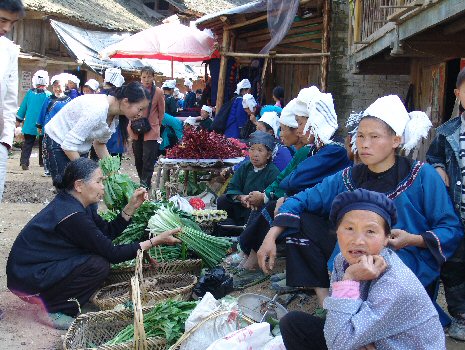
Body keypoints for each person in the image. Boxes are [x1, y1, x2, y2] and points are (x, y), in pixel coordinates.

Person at [256, 95, 463, 326]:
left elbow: (450, 227)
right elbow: (302, 199)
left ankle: (372, 319)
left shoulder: (422, 176)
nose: (364, 144)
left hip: (405, 263)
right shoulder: (348, 177)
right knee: (300, 219)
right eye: (361, 136)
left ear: (396, 140)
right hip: (351, 258)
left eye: (374, 137)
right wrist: (271, 235)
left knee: (376, 317)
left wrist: (411, 239)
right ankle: (329, 305)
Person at [6, 158, 181, 329]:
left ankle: (61, 299)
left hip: (39, 270)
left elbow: (106, 233)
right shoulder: (72, 215)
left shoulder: (80, 205)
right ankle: (53, 309)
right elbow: (112, 253)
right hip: (27, 279)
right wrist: (155, 241)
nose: (103, 186)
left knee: (96, 260)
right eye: (98, 181)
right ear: (79, 185)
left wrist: (131, 207)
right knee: (98, 265)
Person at [280, 189, 445, 350]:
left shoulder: (395, 283)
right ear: (337, 232)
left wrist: (350, 279)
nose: (358, 241)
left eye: (370, 231)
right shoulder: (342, 261)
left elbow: (337, 343)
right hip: (366, 337)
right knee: (293, 324)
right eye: (349, 229)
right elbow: (338, 318)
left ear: (386, 238)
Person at [235, 89, 350, 282]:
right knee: (275, 206)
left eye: (302, 123)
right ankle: (253, 256)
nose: (298, 129)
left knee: (279, 208)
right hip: (317, 208)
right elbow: (291, 180)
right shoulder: (315, 149)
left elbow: (294, 180)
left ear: (316, 121)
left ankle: (257, 261)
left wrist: (280, 196)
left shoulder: (334, 150)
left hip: (331, 219)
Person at [44, 81, 150, 184]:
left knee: (85, 190)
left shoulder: (115, 116)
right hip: (58, 140)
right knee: (70, 192)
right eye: (140, 109)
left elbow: (99, 144)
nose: (141, 114)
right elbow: (68, 146)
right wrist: (88, 173)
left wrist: (113, 172)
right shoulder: (98, 110)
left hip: (75, 145)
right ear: (126, 102)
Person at [426, 67, 465, 340]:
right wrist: (439, 166)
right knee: (455, 266)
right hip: (457, 212)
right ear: (458, 94)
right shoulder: (447, 132)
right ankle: (461, 316)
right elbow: (433, 157)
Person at [0, 0, 25, 322]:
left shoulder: (7, 51)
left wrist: (5, 141)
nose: (5, 27)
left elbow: (8, 98)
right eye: (2, 20)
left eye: (10, 23)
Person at [216, 131, 280, 236]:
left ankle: (247, 232)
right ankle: (229, 228)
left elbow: (272, 195)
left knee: (255, 211)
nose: (255, 154)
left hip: (258, 208)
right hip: (241, 205)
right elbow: (233, 186)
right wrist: (241, 197)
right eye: (252, 149)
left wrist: (257, 200)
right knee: (223, 200)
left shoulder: (273, 172)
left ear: (268, 155)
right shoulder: (245, 167)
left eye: (260, 150)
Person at [127, 66, 165, 189]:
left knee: (148, 158)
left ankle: (145, 185)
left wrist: (157, 125)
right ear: (140, 78)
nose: (146, 79)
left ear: (153, 77)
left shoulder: (158, 92)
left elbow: (161, 111)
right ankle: (142, 181)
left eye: (149, 77)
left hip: (151, 129)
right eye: (144, 77)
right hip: (136, 128)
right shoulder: (135, 90)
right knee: (138, 158)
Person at [16, 70, 52, 170]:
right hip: (42, 124)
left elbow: (23, 107)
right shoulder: (48, 95)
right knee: (43, 144)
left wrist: (18, 120)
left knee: (27, 144)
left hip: (29, 124)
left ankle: (24, 162)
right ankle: (42, 162)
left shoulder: (29, 93)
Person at [37, 74, 71, 177]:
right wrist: (39, 125)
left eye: (59, 86)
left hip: (63, 130)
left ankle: (64, 169)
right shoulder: (48, 100)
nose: (57, 88)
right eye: (55, 86)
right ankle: (48, 169)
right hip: (49, 129)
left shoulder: (68, 101)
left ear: (64, 87)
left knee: (61, 150)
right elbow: (42, 112)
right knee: (47, 149)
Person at [100, 68, 127, 162]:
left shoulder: (101, 94)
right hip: (117, 133)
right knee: (115, 163)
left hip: (103, 131)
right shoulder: (122, 93)